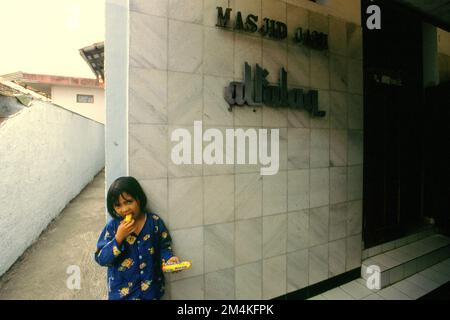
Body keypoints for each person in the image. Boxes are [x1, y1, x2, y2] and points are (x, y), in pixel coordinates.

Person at [94, 176, 180, 300]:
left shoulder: (154, 222)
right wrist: (119, 238)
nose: (124, 209)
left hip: (151, 292)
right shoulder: (113, 227)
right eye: (118, 205)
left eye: (129, 202)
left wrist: (169, 259)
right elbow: (101, 259)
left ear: (138, 199)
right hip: (123, 295)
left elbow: (164, 247)